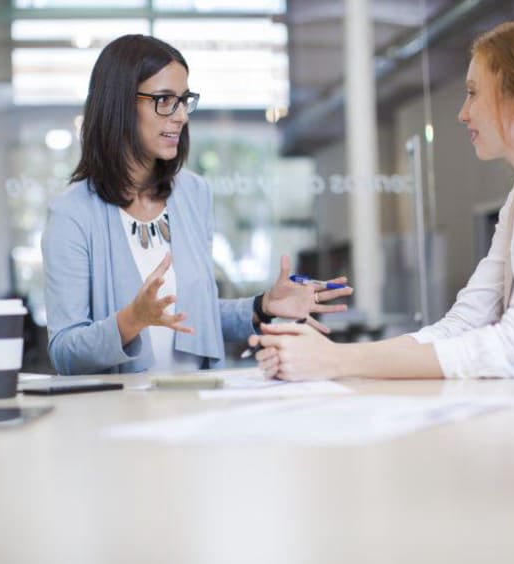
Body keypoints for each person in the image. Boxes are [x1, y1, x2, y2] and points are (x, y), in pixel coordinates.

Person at [251, 19, 514, 390]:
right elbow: (461, 325)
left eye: (473, 92)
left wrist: (336, 359)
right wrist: (324, 356)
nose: (463, 112)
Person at [41, 35, 352, 375]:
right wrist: (130, 321)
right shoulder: (73, 213)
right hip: (121, 415)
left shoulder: (192, 193)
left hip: (196, 405)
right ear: (119, 104)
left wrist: (263, 306)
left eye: (184, 100)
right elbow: (64, 352)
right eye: (164, 100)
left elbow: (196, 315)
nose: (181, 117)